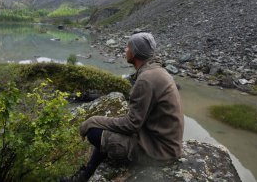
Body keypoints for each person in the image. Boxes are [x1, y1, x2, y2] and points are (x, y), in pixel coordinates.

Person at [60, 32, 184, 182]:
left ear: (135, 52)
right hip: (162, 143)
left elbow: (132, 124)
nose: (125, 50)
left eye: (128, 47)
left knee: (94, 132)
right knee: (107, 131)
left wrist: (93, 120)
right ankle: (85, 175)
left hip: (158, 152)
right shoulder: (157, 72)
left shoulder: (146, 79)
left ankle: (85, 176)